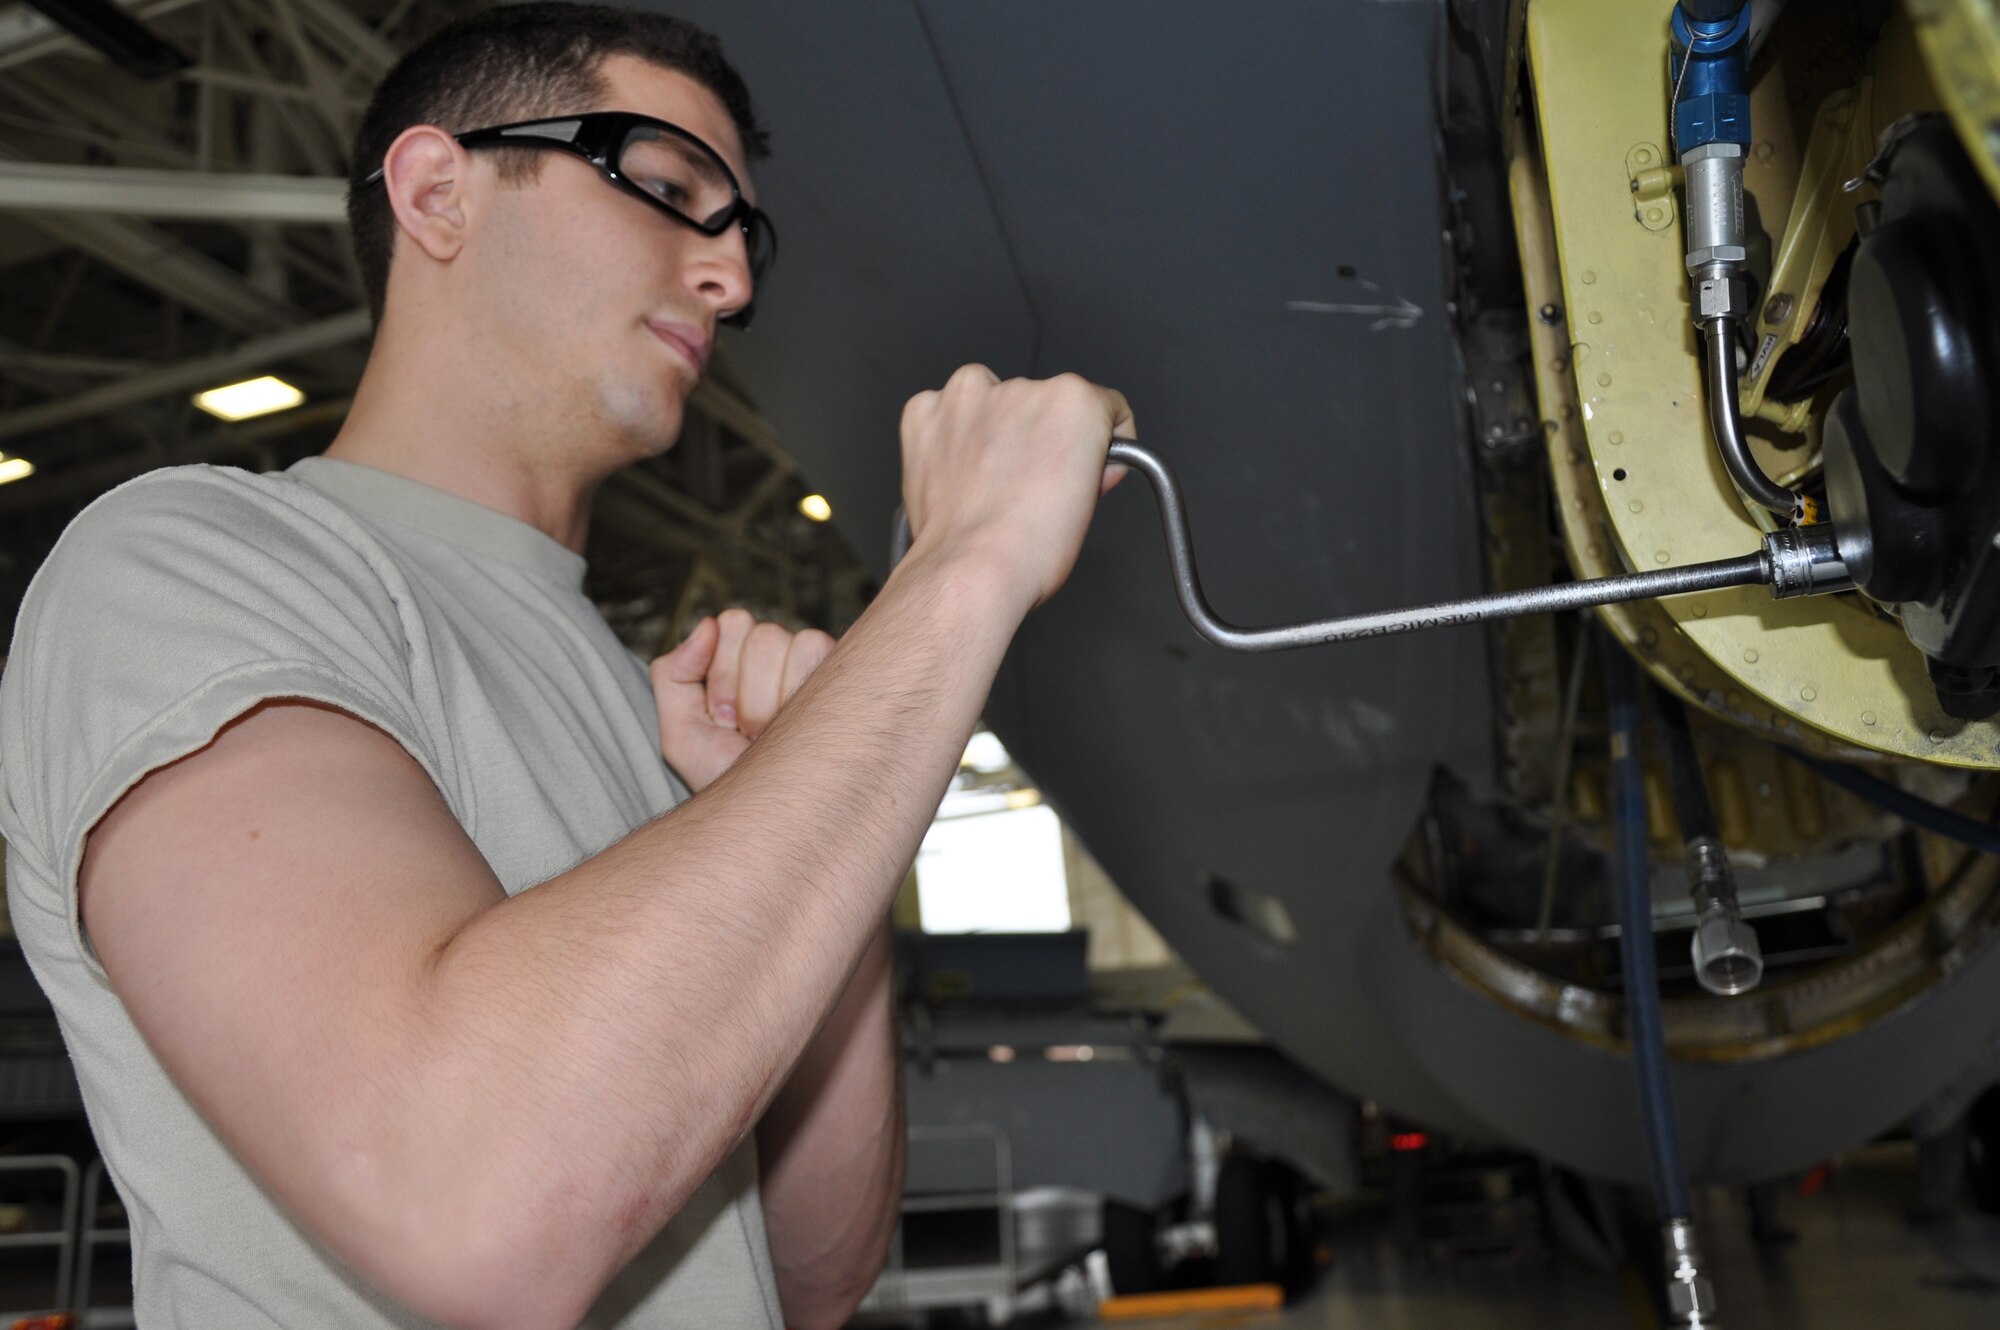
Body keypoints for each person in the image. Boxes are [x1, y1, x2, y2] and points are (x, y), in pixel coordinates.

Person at [0, 4, 1130, 1328]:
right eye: (666, 190)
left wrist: (824, 831)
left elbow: (814, 1274)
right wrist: (966, 564)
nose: (733, 282)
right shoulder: (190, 564)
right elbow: (476, 1202)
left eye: (741, 235)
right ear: (436, 192)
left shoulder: (653, 711)